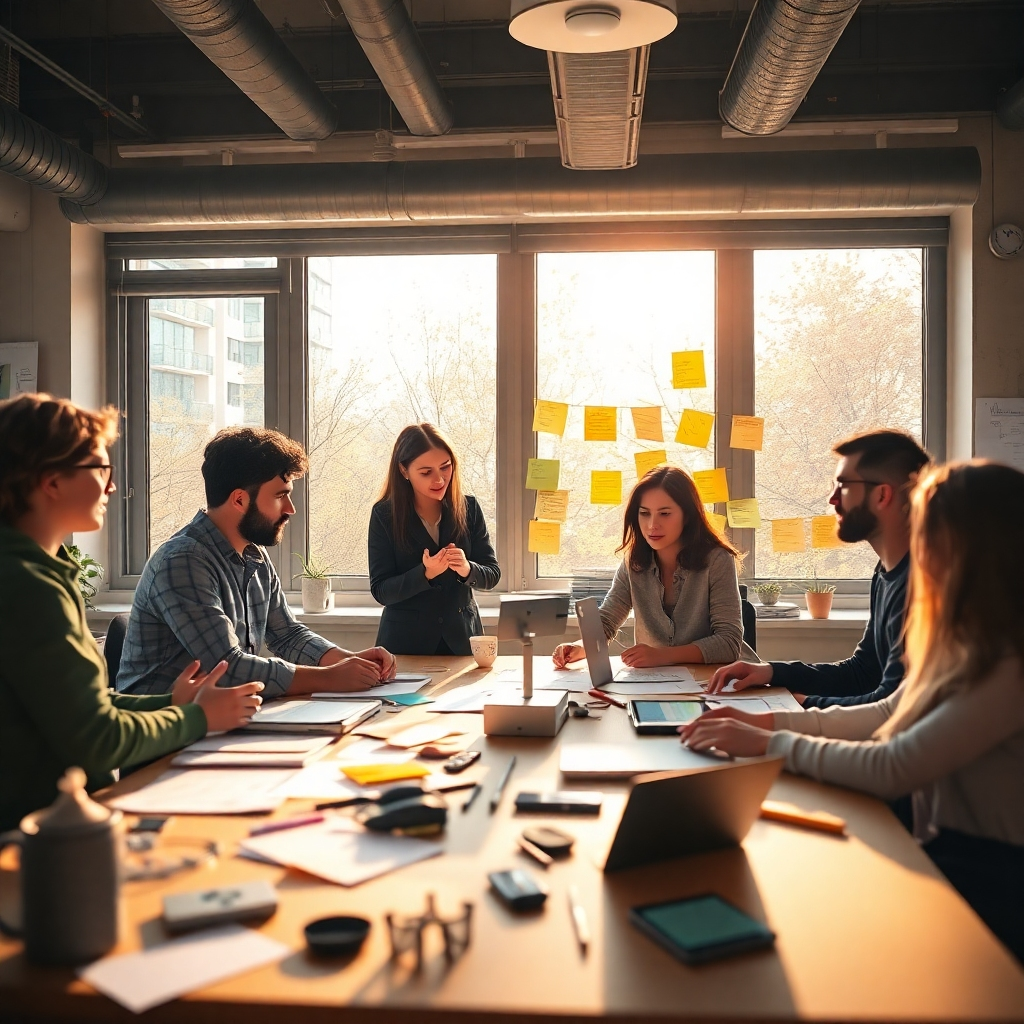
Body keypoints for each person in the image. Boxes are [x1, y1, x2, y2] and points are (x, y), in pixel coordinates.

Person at [679, 461, 1024, 964]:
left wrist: (771, 743)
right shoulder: (972, 641)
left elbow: (893, 766)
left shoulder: (1010, 663)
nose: (918, 550)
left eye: (928, 532)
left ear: (974, 547)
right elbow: (887, 710)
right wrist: (768, 721)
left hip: (991, 878)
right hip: (953, 852)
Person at [0, 394, 262, 831]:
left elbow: (82, 706)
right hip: (41, 843)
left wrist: (171, 702)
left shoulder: (39, 572)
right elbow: (96, 740)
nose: (112, 486)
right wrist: (197, 717)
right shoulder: (26, 587)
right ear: (51, 481)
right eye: (101, 469)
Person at [118, 427, 396, 698]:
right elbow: (227, 669)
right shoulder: (182, 562)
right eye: (279, 495)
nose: (290, 509)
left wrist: (350, 661)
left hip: (218, 720)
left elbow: (286, 635)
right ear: (239, 499)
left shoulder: (254, 555)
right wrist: (330, 677)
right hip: (161, 729)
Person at [706, 430, 931, 707]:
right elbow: (862, 672)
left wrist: (800, 705)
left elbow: (891, 708)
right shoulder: (886, 571)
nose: (833, 499)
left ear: (882, 495)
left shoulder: (924, 582)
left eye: (844, 485)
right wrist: (772, 672)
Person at [553, 466, 747, 670]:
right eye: (644, 513)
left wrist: (662, 655)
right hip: (654, 682)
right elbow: (607, 621)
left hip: (713, 684)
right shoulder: (633, 562)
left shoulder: (717, 560)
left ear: (687, 516)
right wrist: (581, 647)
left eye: (665, 514)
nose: (652, 525)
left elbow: (729, 642)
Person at [369, 423, 500, 655]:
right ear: (403, 471)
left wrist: (467, 568)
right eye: (426, 472)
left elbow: (492, 574)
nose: (439, 479)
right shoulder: (384, 515)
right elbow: (381, 590)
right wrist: (425, 574)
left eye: (445, 467)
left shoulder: (469, 508)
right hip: (405, 646)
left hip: (462, 642)